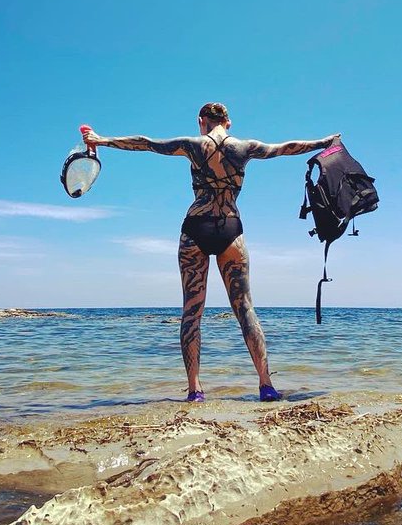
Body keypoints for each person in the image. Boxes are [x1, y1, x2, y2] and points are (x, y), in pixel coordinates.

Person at [84, 103, 338, 403]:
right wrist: (325, 143)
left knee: (192, 312)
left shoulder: (193, 145)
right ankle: (266, 385)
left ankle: (195, 390)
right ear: (228, 122)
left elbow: (146, 143)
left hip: (196, 228)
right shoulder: (246, 147)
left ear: (201, 121)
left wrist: (101, 140)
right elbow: (285, 148)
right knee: (245, 309)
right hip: (231, 228)